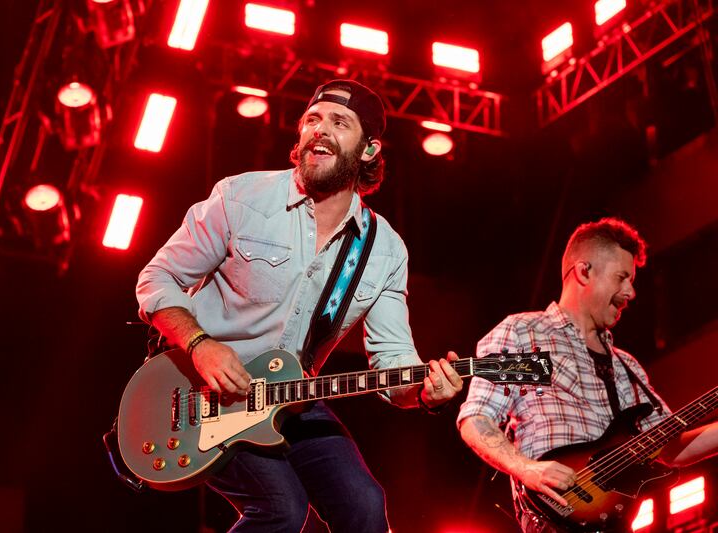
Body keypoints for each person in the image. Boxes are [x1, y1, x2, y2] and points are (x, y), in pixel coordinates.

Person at [136, 79, 463, 532]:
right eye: (312, 119)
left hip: (290, 395)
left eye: (339, 122)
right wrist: (200, 344)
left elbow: (394, 363)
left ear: (369, 150)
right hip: (202, 391)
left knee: (365, 506)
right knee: (282, 509)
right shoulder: (241, 197)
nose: (320, 129)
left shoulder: (384, 250)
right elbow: (157, 278)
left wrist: (427, 393)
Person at [456, 217, 718, 532]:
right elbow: (477, 418)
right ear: (584, 271)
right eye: (622, 277)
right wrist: (526, 469)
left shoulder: (627, 368)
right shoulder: (524, 333)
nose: (631, 292)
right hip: (551, 521)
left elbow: (671, 448)